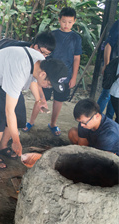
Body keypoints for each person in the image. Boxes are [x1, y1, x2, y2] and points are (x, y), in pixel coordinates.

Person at [0, 46, 68, 168]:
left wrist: (39, 100)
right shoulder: (19, 71)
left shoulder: (42, 63)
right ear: (43, 74)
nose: (49, 87)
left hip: (9, 75)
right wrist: (16, 141)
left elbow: (33, 79)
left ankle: (3, 146)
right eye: (49, 84)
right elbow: (9, 111)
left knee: (19, 115)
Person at [23, 7, 82, 136]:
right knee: (40, 98)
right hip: (48, 75)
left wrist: (73, 77)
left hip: (64, 76)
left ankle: (53, 123)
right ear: (59, 20)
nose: (66, 25)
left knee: (59, 100)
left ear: (74, 21)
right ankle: (30, 121)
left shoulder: (76, 38)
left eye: (70, 22)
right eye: (64, 21)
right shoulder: (53, 35)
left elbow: (77, 58)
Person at [102, 19, 119, 120]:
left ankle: (108, 120)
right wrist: (106, 65)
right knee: (106, 93)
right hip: (113, 66)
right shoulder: (118, 24)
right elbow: (108, 45)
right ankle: (96, 118)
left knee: (115, 96)